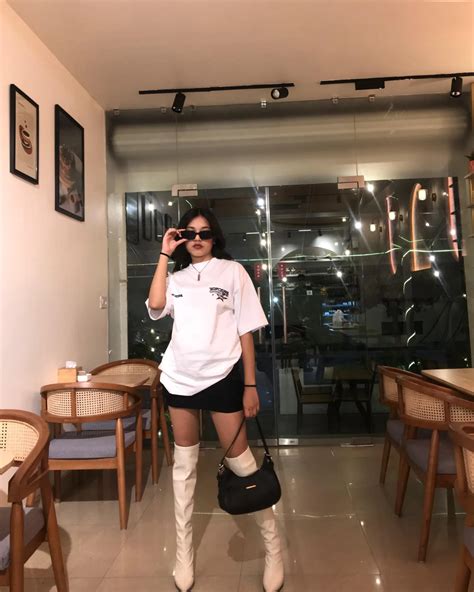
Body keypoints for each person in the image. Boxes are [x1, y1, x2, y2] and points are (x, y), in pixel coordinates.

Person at [146, 207, 284, 592]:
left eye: (204, 233)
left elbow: (246, 331)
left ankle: (273, 549)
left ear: (215, 237)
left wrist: (250, 385)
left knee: (243, 464)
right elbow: (155, 305)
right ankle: (183, 555)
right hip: (179, 378)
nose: (197, 239)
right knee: (184, 467)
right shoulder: (175, 278)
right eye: (189, 233)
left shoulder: (233, 272)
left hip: (223, 377)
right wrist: (164, 253)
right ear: (181, 238)